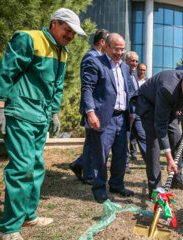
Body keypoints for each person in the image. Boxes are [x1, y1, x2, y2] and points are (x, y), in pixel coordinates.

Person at [0, 8, 86, 240]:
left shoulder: (62, 52)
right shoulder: (29, 39)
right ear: (54, 23)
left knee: (36, 167)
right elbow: (6, 71)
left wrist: (53, 113)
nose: (71, 37)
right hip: (20, 112)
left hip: (40, 116)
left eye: (74, 34)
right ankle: (8, 229)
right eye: (68, 31)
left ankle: (27, 215)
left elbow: (57, 85)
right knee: (22, 167)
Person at [80, 33, 135, 204]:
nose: (120, 53)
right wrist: (90, 113)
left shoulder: (125, 68)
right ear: (107, 47)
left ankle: (117, 184)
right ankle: (99, 189)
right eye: (116, 49)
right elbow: (87, 88)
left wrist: (132, 111)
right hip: (103, 117)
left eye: (122, 49)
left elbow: (129, 91)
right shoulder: (96, 62)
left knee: (121, 154)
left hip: (122, 117)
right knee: (101, 156)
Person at [135, 67, 183, 197]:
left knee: (176, 138)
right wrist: (168, 158)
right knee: (154, 144)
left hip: (168, 105)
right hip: (148, 103)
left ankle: (177, 179)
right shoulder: (167, 88)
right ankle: (155, 188)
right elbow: (160, 126)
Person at [69, 29, 109, 184]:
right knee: (92, 142)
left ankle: (79, 164)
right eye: (109, 41)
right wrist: (90, 110)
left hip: (98, 107)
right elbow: (88, 86)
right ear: (102, 42)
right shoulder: (91, 57)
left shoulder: (100, 57)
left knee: (93, 142)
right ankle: (88, 174)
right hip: (92, 108)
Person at [124, 51, 146, 174]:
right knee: (125, 139)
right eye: (132, 61)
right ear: (126, 60)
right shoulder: (124, 73)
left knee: (142, 137)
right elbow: (129, 95)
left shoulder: (133, 75)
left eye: (136, 61)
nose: (134, 63)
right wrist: (131, 112)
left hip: (136, 113)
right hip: (127, 113)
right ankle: (125, 164)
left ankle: (150, 162)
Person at [129, 63, 148, 162]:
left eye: (144, 70)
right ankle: (132, 155)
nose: (142, 72)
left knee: (141, 135)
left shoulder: (148, 81)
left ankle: (149, 160)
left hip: (141, 111)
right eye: (140, 69)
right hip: (130, 110)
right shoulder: (132, 79)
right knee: (130, 135)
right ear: (137, 70)